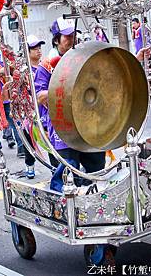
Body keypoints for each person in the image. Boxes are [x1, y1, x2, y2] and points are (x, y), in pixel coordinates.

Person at [35, 17, 106, 191]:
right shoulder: (46, 67)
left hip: (86, 123)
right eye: (67, 36)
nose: (71, 39)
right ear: (56, 39)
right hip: (62, 126)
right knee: (67, 173)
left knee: (96, 168)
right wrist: (65, 91)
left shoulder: (82, 59)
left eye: (73, 35)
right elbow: (39, 96)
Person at [21, 34, 45, 179]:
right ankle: (30, 166)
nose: (38, 51)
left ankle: (56, 167)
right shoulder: (24, 71)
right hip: (29, 112)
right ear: (27, 52)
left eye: (39, 48)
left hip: (44, 111)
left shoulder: (44, 66)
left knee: (50, 139)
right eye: (34, 49)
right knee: (29, 140)